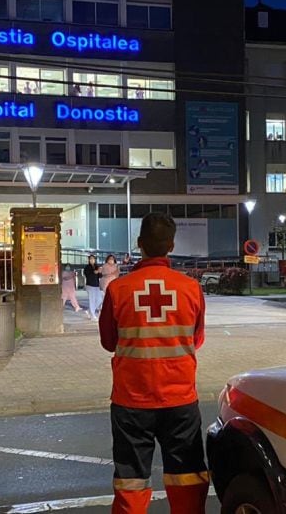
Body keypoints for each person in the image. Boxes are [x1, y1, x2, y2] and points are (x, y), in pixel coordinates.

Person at [99, 213, 209, 513]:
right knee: (187, 476)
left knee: (131, 479)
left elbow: (109, 341)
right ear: (171, 245)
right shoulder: (190, 288)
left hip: (132, 400)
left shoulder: (119, 289)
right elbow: (196, 340)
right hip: (180, 399)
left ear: (139, 244)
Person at [84, 254, 102, 319]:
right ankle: (92, 315)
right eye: (91, 259)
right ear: (89, 260)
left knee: (100, 299)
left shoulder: (97, 266)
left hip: (97, 285)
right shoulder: (87, 267)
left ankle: (89, 311)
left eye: (93, 259)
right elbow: (88, 275)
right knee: (92, 300)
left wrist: (100, 272)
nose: (92, 260)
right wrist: (94, 272)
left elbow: (100, 276)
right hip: (90, 285)